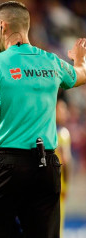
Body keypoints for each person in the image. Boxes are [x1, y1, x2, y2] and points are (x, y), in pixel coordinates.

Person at [0, 1, 86, 238]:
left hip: (8, 165)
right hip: (47, 167)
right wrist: (79, 59)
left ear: (3, 26)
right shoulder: (52, 62)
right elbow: (81, 75)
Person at [55, 97, 72, 237]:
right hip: (58, 185)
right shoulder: (62, 133)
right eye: (62, 109)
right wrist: (66, 184)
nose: (65, 113)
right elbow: (66, 160)